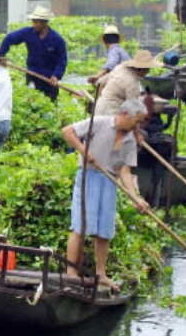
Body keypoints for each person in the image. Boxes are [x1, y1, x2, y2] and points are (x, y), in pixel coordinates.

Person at [61, 99, 150, 291]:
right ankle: (71, 272)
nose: (138, 126)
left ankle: (101, 275)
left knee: (105, 231)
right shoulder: (100, 122)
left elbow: (124, 171)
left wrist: (135, 198)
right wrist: (83, 150)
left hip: (109, 181)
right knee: (80, 225)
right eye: (136, 121)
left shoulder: (129, 140)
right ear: (125, 114)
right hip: (88, 177)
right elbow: (67, 131)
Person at [0, 6, 67, 100]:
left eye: (36, 22)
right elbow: (9, 39)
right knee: (31, 101)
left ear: (44, 22)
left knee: (50, 105)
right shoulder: (28, 33)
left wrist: (56, 75)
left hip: (49, 80)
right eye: (33, 21)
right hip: (32, 75)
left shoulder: (57, 39)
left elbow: (62, 60)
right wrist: (0, 56)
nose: (34, 25)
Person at [94, 49, 163, 117]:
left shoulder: (120, 67)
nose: (147, 72)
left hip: (99, 107)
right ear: (141, 69)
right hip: (112, 113)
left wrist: (103, 98)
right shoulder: (132, 83)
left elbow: (100, 82)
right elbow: (133, 107)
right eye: (147, 70)